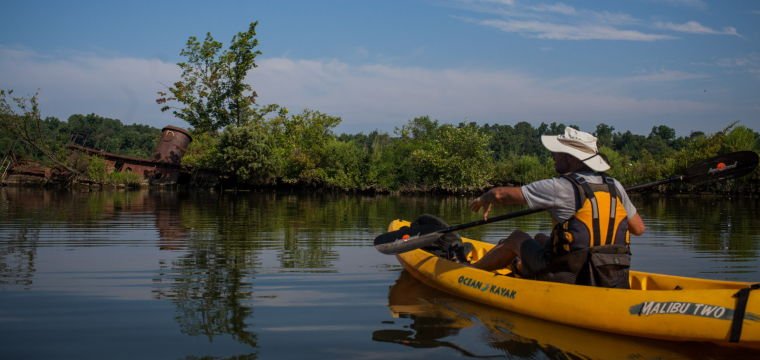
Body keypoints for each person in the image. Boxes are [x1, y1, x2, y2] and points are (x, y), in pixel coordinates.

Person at [468, 127, 645, 287]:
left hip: (571, 275)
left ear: (570, 157)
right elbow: (638, 228)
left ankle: (468, 273)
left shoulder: (559, 186)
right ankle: (521, 268)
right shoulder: (615, 185)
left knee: (516, 237)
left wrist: (484, 198)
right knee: (539, 238)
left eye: (557, 152)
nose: (552, 155)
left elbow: (500, 194)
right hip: (610, 273)